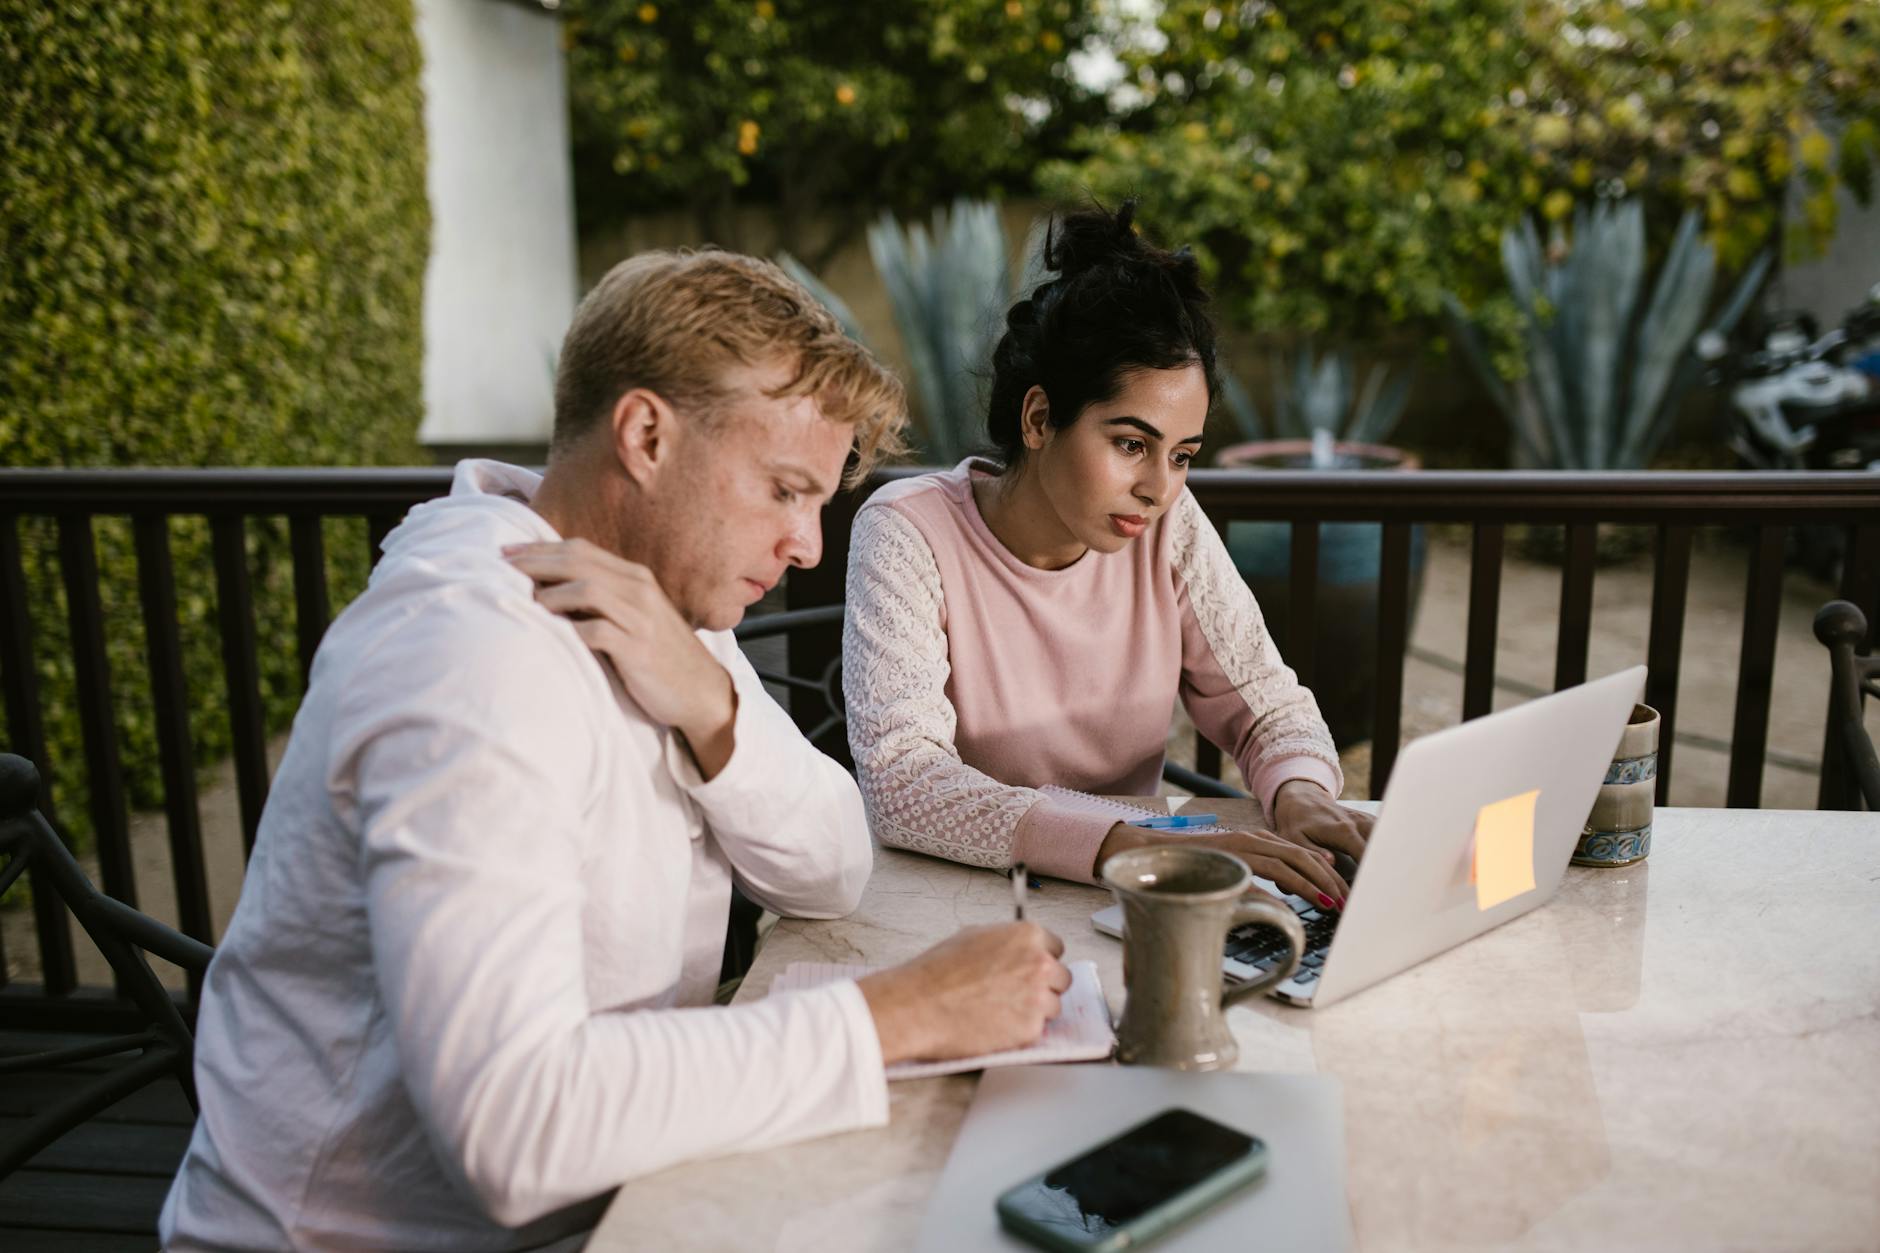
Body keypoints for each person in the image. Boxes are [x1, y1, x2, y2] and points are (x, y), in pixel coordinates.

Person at [161, 250, 1071, 1252]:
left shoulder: (655, 593)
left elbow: (833, 868)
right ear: (645, 435)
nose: (808, 544)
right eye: (781, 489)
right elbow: (516, 1129)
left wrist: (712, 706)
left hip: (609, 1204)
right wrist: (896, 1016)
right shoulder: (472, 658)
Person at [843, 202, 1371, 903]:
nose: (1158, 487)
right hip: (963, 904)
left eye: (1181, 455)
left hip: (1135, 902)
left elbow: (1268, 705)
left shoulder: (1165, 521)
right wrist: (1147, 845)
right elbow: (904, 783)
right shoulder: (909, 531)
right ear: (1039, 418)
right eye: (1130, 444)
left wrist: (1300, 788)